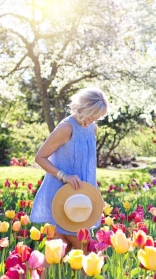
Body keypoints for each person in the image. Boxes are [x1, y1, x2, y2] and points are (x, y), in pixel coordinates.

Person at [30, 87, 108, 251]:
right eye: (91, 116)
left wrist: (92, 190)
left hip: (81, 197)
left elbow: (87, 164)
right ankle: (28, 276)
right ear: (82, 109)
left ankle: (28, 276)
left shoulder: (92, 128)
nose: (92, 121)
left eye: (96, 118)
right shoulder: (66, 128)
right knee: (85, 251)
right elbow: (40, 157)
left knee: (61, 250)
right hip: (64, 196)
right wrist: (64, 175)